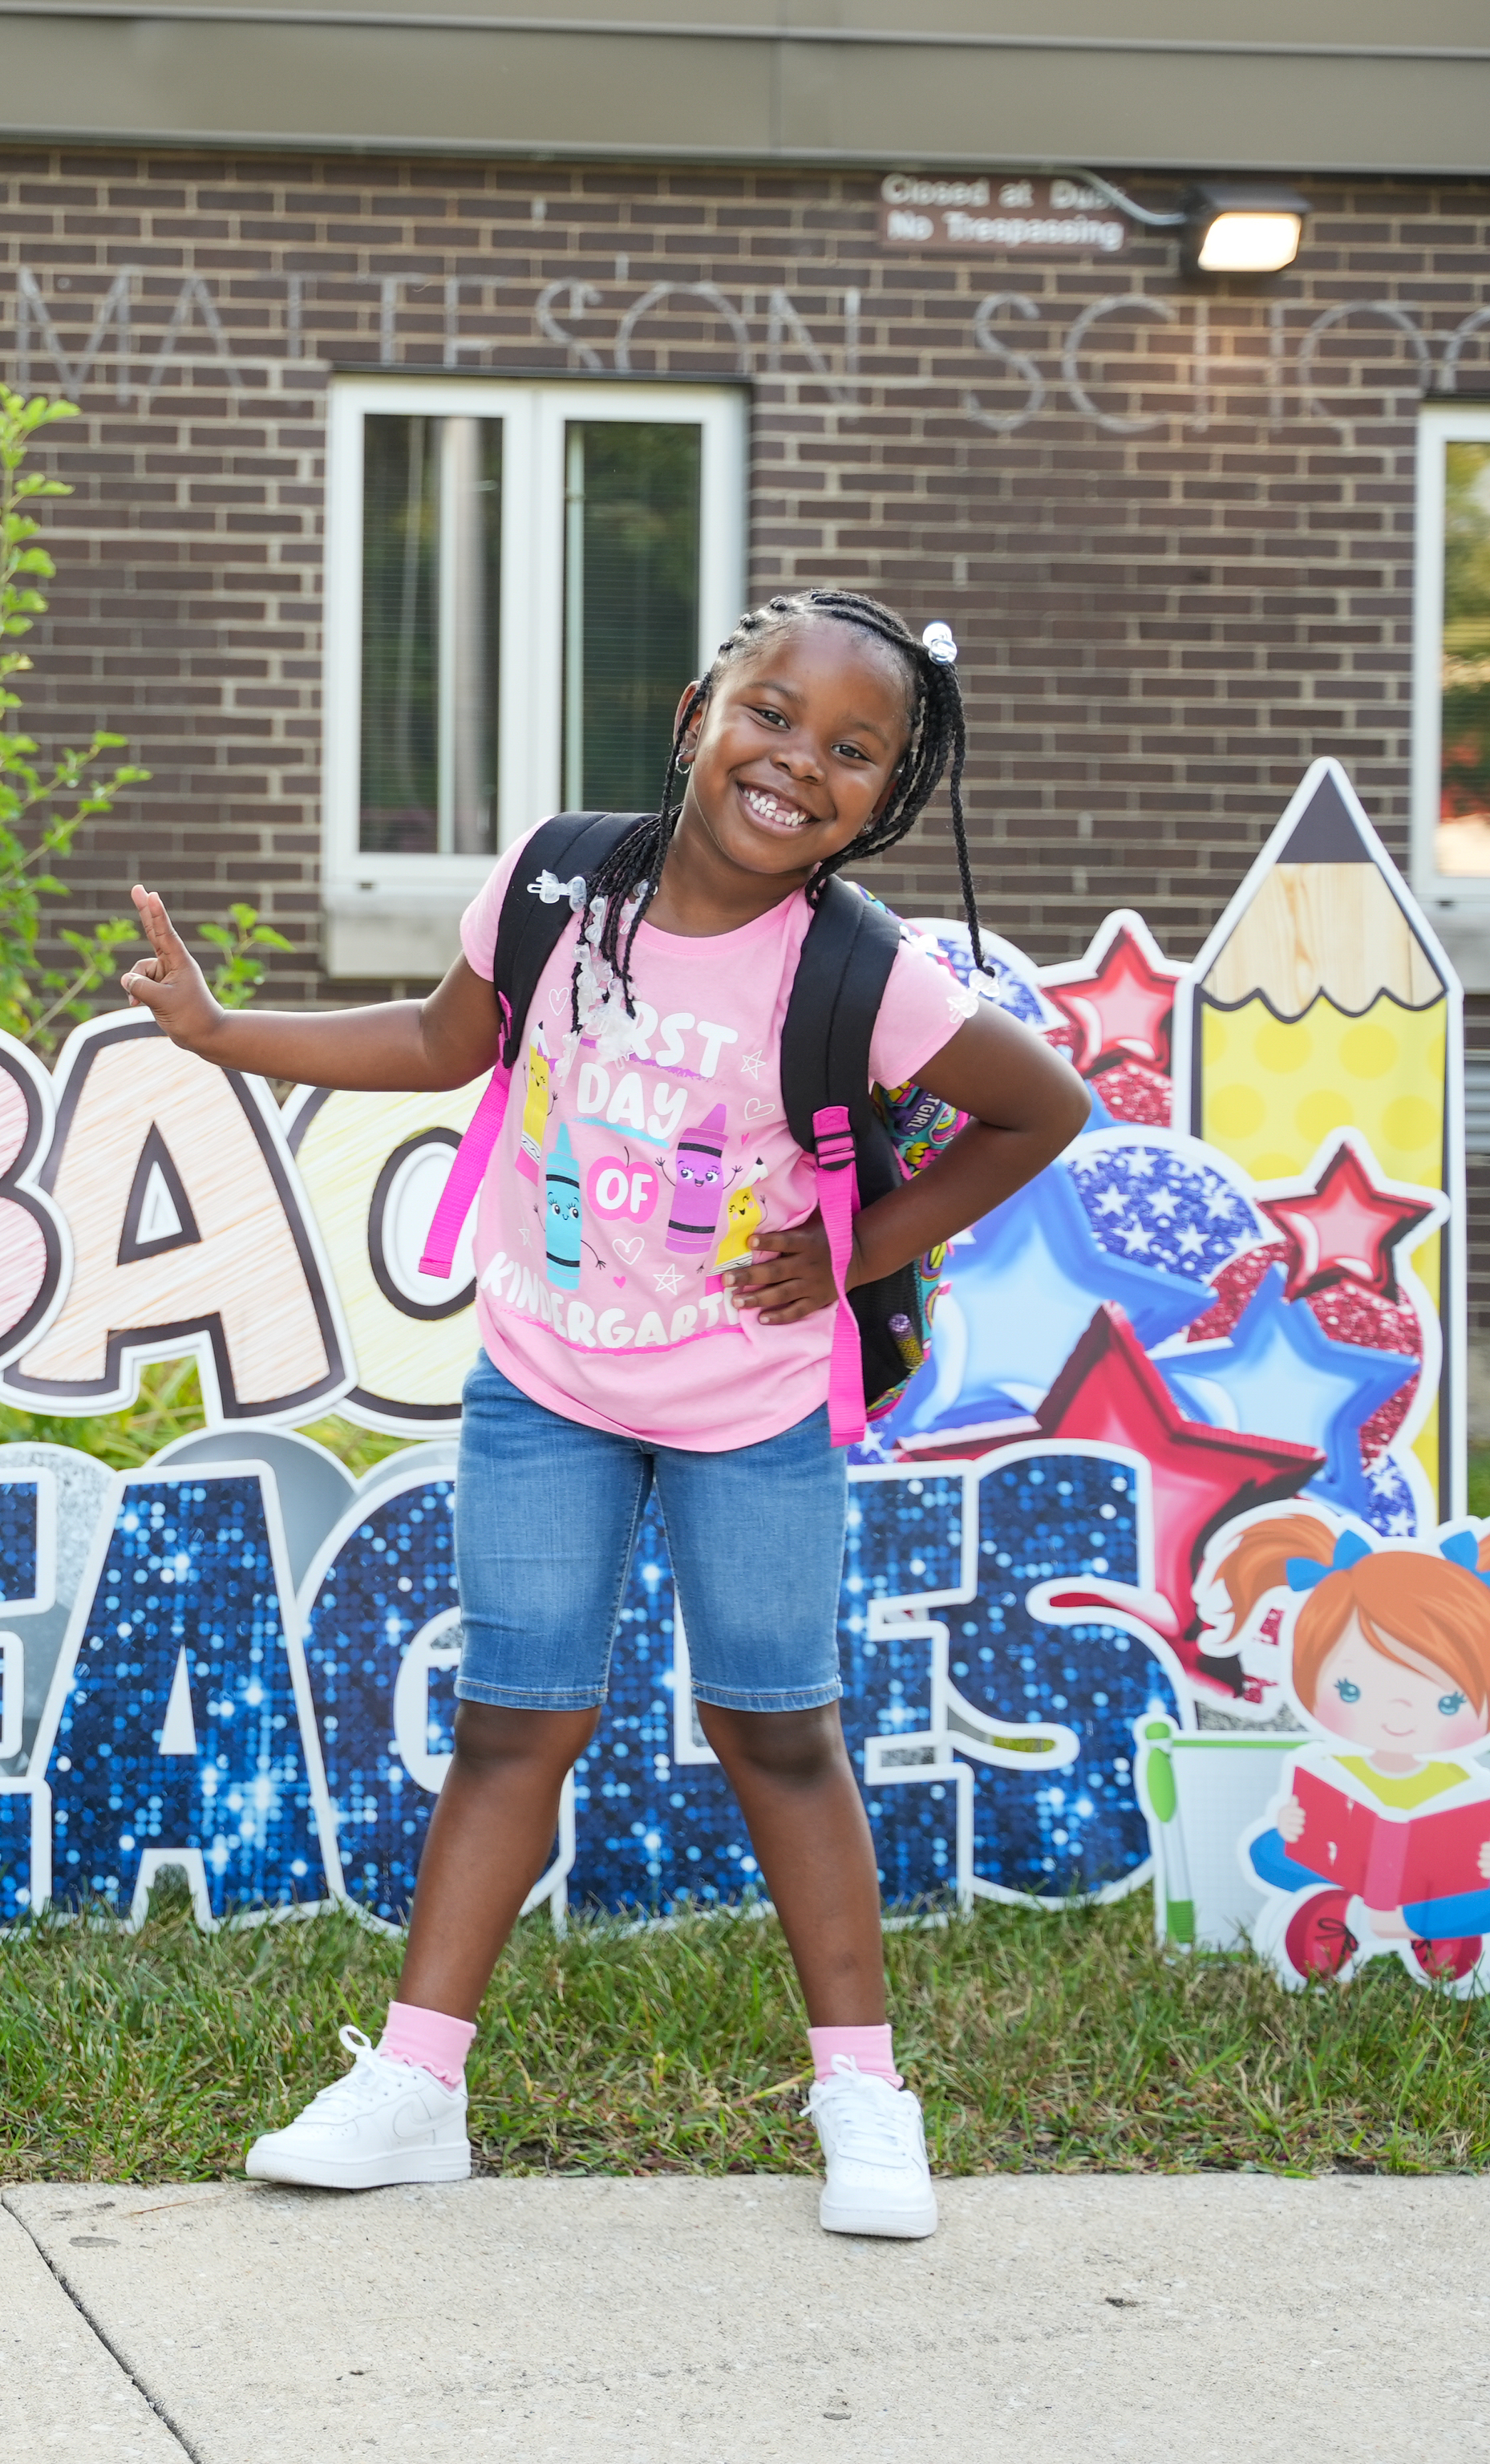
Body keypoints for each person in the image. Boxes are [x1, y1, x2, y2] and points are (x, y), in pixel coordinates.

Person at [121, 590, 1088, 2238]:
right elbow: (443, 1042)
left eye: (856, 752)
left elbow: (1037, 1109)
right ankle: (418, 2086)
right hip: (549, 1387)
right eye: (774, 714)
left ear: (889, 795)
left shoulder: (864, 972)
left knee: (778, 1732)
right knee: (515, 1719)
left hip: (748, 1410)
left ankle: (864, 2094)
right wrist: (223, 1032)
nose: (801, 764)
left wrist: (854, 1247)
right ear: (704, 704)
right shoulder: (562, 881)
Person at [1222, 1515, 1490, 1990]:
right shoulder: (1330, 1771)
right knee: (1268, 1851)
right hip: (1345, 1873)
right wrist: (1291, 1827)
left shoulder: (1463, 1788)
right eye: (1351, 1689)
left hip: (1431, 1891)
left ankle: (1400, 1926)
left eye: (1447, 1702)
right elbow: (1287, 1847)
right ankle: (1356, 1912)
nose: (1399, 1718)